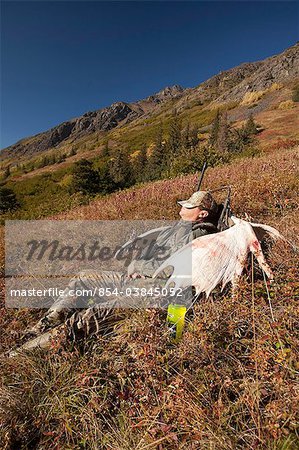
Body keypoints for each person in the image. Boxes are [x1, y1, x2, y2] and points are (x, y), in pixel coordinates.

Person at [28, 191, 219, 336]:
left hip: (154, 292)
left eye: (189, 206)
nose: (182, 207)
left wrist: (140, 267)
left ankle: (28, 352)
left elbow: (175, 271)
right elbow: (159, 254)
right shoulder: (178, 228)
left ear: (202, 214)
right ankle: (44, 325)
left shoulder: (200, 236)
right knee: (84, 278)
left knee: (91, 316)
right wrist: (138, 263)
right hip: (140, 280)